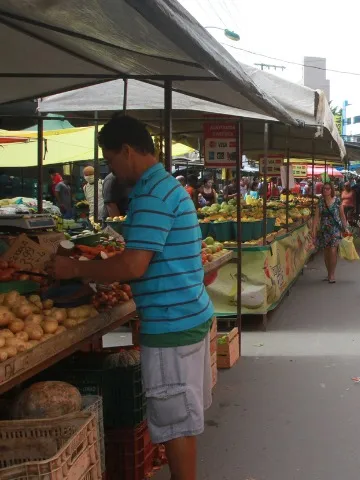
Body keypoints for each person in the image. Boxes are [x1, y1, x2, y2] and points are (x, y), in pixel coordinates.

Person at [51, 115, 213, 480]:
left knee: (175, 425)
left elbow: (134, 266)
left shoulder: (154, 195)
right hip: (186, 316)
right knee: (182, 422)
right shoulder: (165, 189)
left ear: (127, 151)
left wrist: (76, 270)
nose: (112, 170)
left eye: (110, 161)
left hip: (172, 324)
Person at [312, 182, 346, 283]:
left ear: (331, 190)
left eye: (328, 189)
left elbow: (342, 216)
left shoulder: (337, 201)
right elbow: (316, 217)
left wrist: (345, 228)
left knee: (333, 250)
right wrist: (313, 230)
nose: (326, 190)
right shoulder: (320, 202)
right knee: (326, 252)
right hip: (324, 229)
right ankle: (328, 273)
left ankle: (332, 274)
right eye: (324, 189)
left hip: (335, 229)